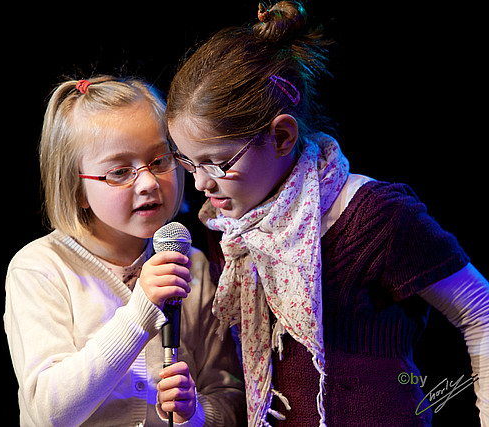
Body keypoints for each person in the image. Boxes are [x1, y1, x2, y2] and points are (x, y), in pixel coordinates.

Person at [165, 2, 488, 426]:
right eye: (188, 162)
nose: (202, 184)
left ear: (282, 136)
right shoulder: (230, 227)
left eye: (219, 163)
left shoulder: (374, 215)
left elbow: (478, 309)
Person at [4, 76, 246, 426]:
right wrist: (139, 311)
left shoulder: (192, 264)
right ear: (77, 190)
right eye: (119, 172)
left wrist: (194, 415)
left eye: (160, 161)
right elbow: (49, 412)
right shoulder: (40, 268)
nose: (148, 183)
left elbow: (232, 399)